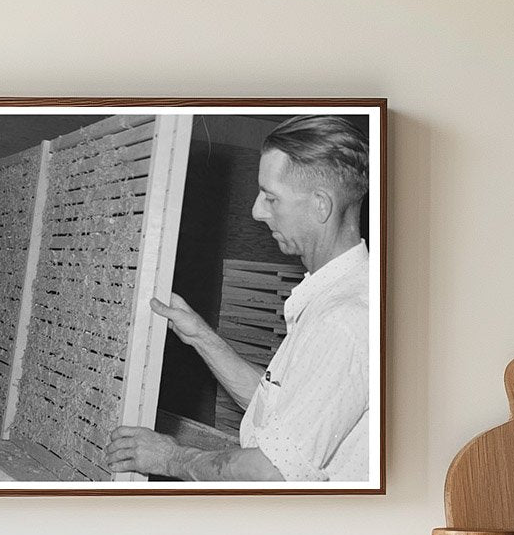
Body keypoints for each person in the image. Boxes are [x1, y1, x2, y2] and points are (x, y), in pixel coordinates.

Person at [107, 115, 370, 482]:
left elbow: (271, 470)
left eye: (271, 197)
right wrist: (199, 334)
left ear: (320, 205)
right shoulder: (334, 297)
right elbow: (277, 415)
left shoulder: (343, 320)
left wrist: (172, 459)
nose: (257, 211)